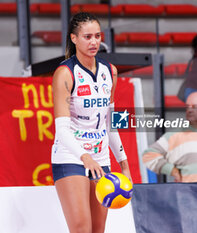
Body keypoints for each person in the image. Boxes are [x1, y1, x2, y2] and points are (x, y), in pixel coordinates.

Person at [51, 12, 131, 233]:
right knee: (81, 228)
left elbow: (110, 122)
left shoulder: (110, 71)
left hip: (100, 157)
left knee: (98, 229)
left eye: (97, 36)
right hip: (71, 156)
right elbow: (62, 131)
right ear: (74, 38)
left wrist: (124, 163)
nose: (94, 41)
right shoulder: (65, 73)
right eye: (87, 36)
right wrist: (85, 158)